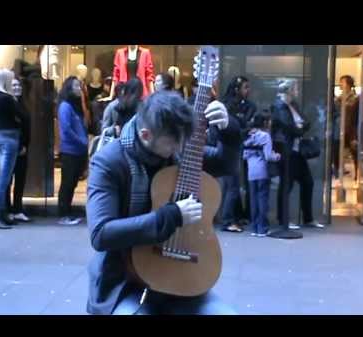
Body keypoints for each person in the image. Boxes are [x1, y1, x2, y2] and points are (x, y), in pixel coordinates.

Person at [86, 91, 239, 315]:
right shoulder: (109, 162)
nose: (179, 149)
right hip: (126, 281)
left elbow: (225, 165)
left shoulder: (178, 148)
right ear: (146, 135)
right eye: (173, 144)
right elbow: (101, 234)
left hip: (182, 277)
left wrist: (229, 130)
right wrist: (171, 216)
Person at [271, 79, 325, 230]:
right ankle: (283, 219)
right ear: (288, 90)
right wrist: (299, 128)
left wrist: (299, 127)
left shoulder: (293, 105)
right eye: (296, 88)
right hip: (287, 151)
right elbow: (290, 127)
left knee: (308, 182)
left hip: (297, 150)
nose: (298, 91)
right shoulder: (279, 106)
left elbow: (305, 122)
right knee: (286, 185)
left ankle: (308, 218)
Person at [220, 76, 257, 232]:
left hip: (237, 147)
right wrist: (246, 129)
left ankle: (235, 217)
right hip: (229, 148)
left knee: (233, 186)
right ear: (237, 89)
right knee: (233, 187)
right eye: (245, 87)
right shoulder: (227, 106)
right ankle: (227, 221)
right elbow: (236, 128)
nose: (248, 91)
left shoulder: (246, 106)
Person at [0, 69, 21, 230]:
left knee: (3, 178)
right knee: (3, 179)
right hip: (10, 137)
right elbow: (19, 116)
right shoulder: (7, 98)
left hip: (1, 136)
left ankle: (0, 214)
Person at [57, 76, 88, 226]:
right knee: (67, 183)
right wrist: (81, 141)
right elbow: (66, 130)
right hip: (70, 151)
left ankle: (67, 211)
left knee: (72, 183)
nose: (79, 89)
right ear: (69, 88)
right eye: (76, 86)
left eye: (79, 86)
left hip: (78, 151)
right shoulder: (65, 106)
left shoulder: (74, 106)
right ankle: (63, 214)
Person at [243, 112, 280, 237]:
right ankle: (262, 228)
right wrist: (277, 156)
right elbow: (268, 156)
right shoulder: (265, 136)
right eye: (268, 121)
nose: (270, 123)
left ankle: (254, 228)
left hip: (251, 172)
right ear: (265, 122)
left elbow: (244, 155)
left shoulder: (248, 136)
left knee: (253, 200)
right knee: (262, 200)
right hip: (262, 171)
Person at [4, 77, 31, 223]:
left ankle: (18, 209)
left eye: (18, 85)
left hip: (23, 149)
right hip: (11, 147)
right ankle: (7, 210)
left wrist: (25, 146)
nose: (17, 88)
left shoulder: (23, 104)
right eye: (13, 85)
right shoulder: (7, 105)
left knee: (20, 180)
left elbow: (26, 128)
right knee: (7, 181)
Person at [334, 75, 359, 180]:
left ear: (348, 84)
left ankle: (358, 174)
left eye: (342, 82)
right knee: (336, 150)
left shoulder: (355, 98)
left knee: (354, 152)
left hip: (350, 128)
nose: (340, 84)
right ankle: (338, 171)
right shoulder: (338, 98)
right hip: (339, 127)